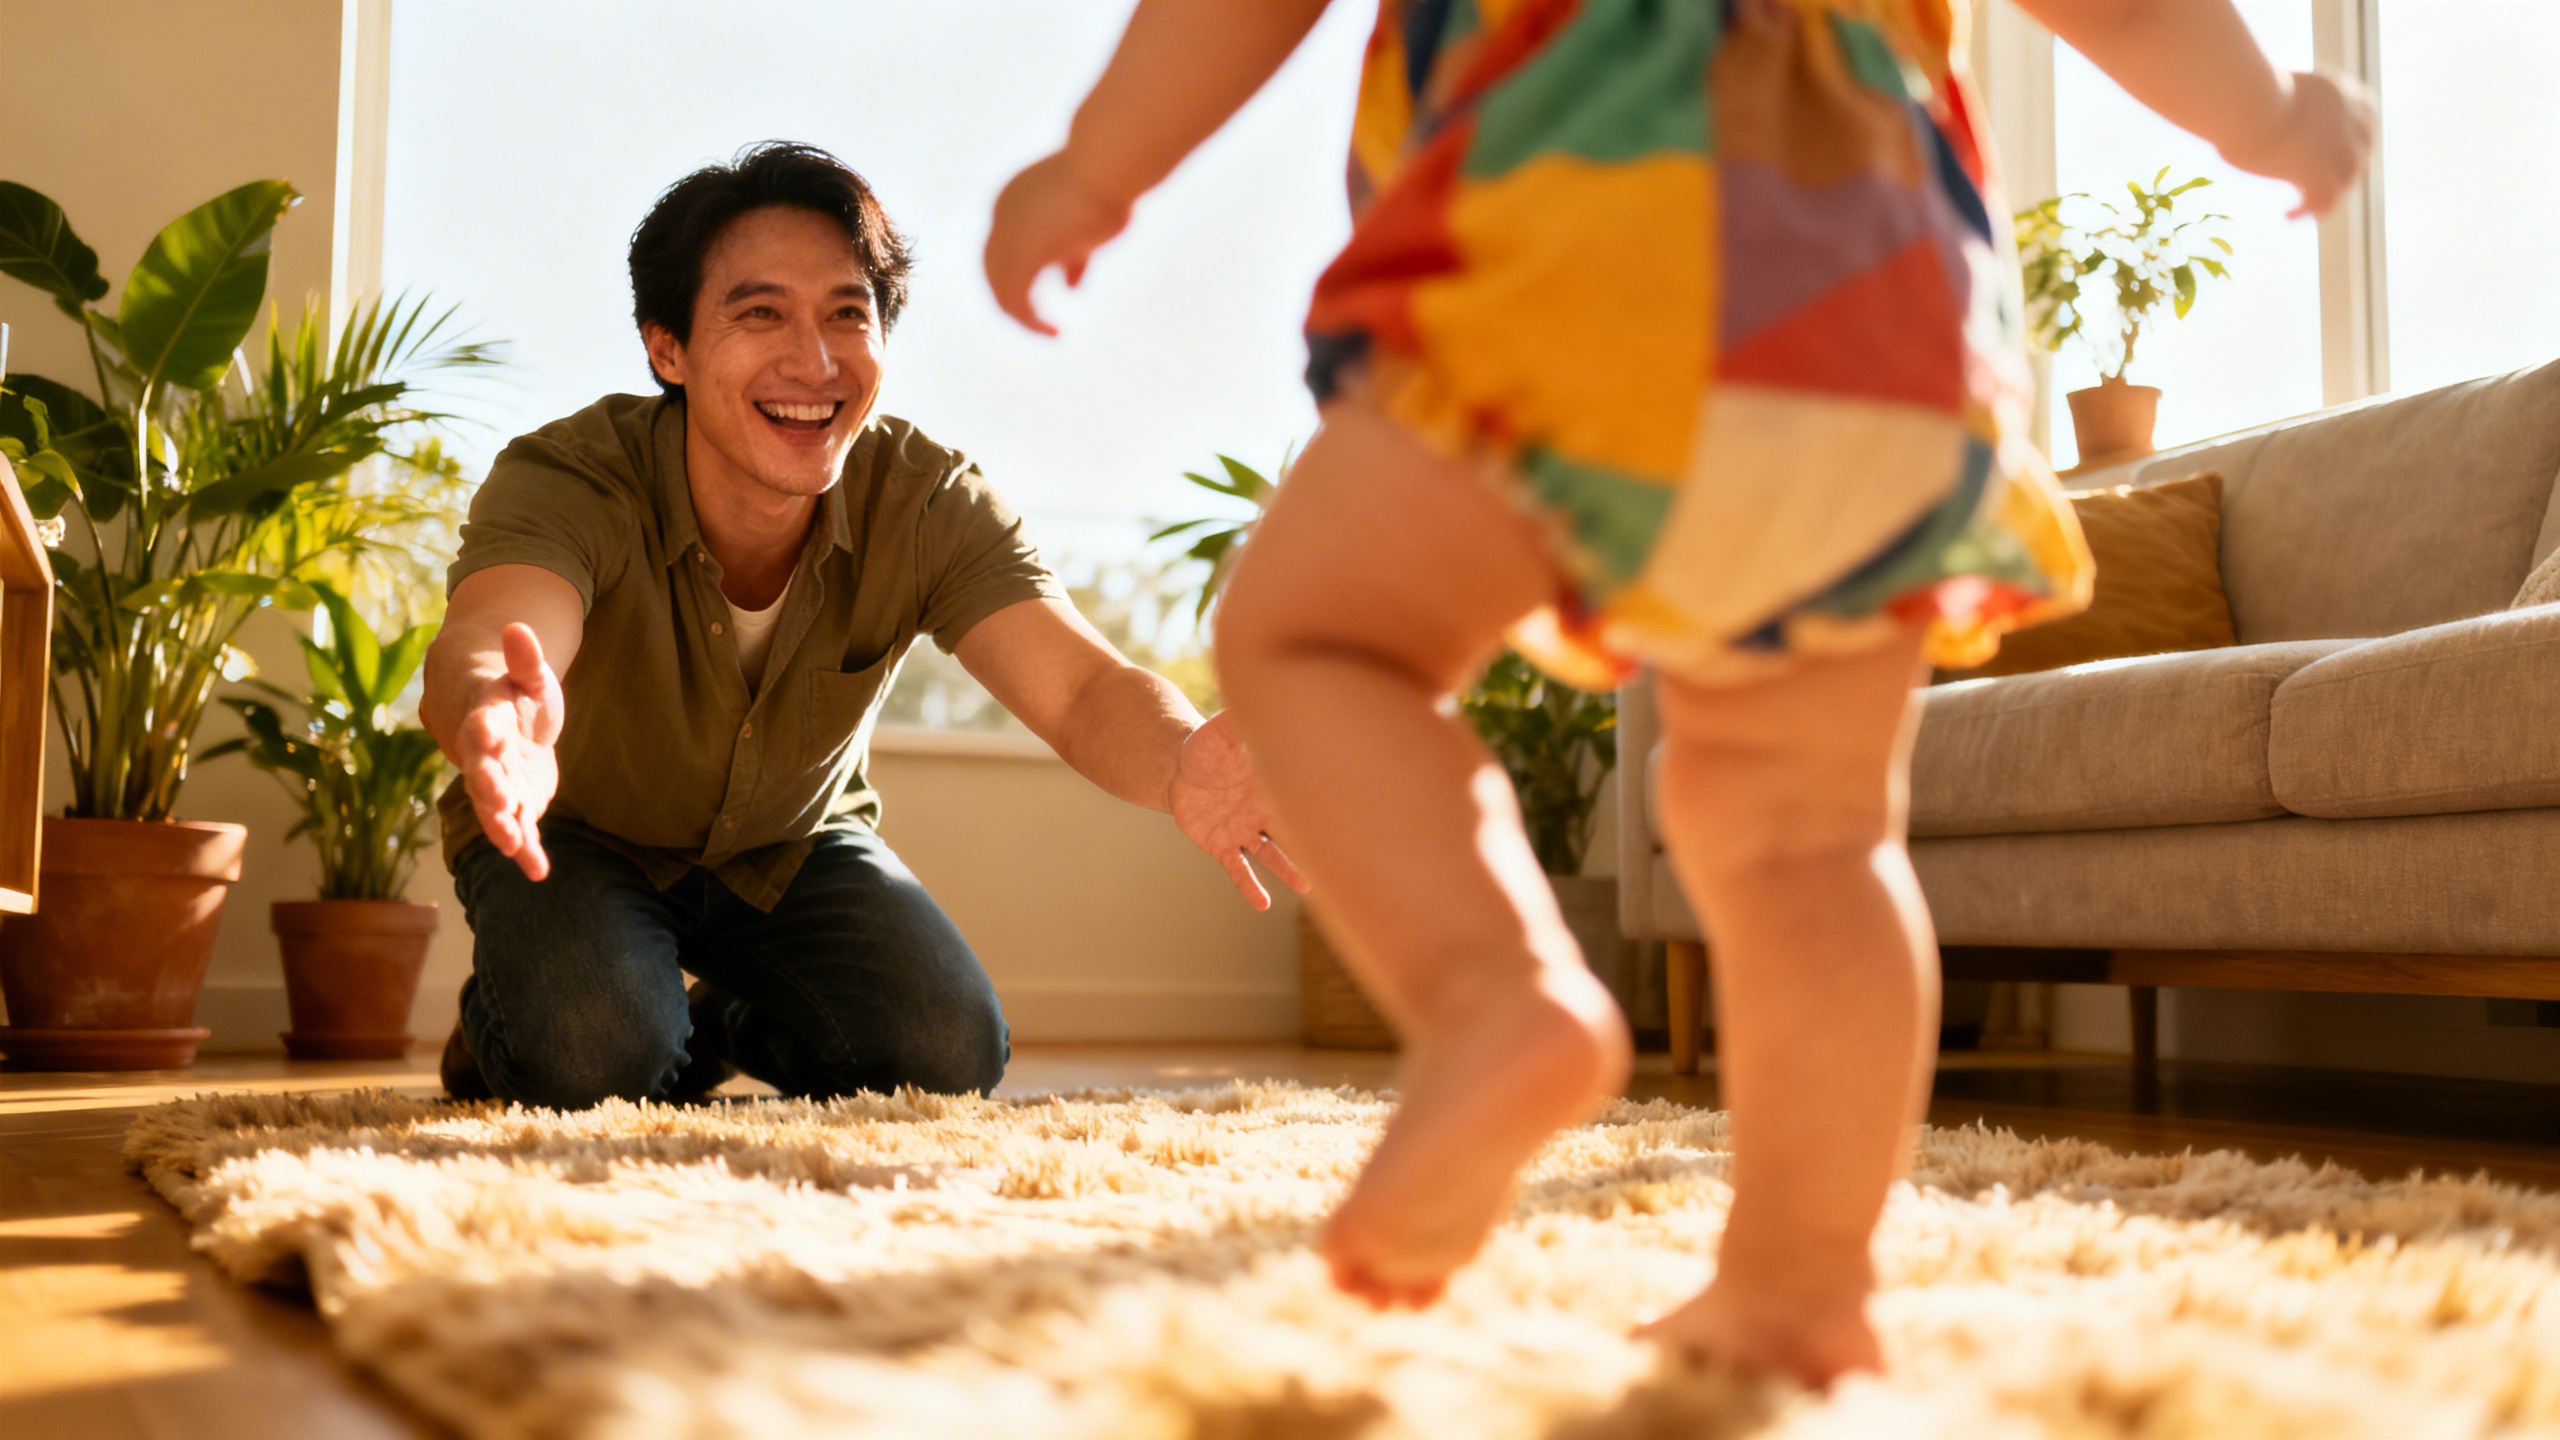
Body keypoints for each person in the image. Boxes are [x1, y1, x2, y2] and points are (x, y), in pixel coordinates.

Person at [983, 0, 2372, 1385]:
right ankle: (1804, 1279)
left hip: (1579, 219)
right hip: (1871, 307)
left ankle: (1493, 995)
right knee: (1812, 838)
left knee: (1325, 642)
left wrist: (1097, 166)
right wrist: (2267, 115)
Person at [424, 142, 1303, 1112]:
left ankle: (710, 1023)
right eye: (760, 314)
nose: (815, 360)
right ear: (666, 347)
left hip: (791, 842)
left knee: (942, 1050)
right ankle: (517, 1030)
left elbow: (1082, 686)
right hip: (574, 833)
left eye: (849, 314)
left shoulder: (926, 501)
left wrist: (1180, 757)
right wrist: (496, 707)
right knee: (592, 1060)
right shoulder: (571, 474)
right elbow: (498, 626)